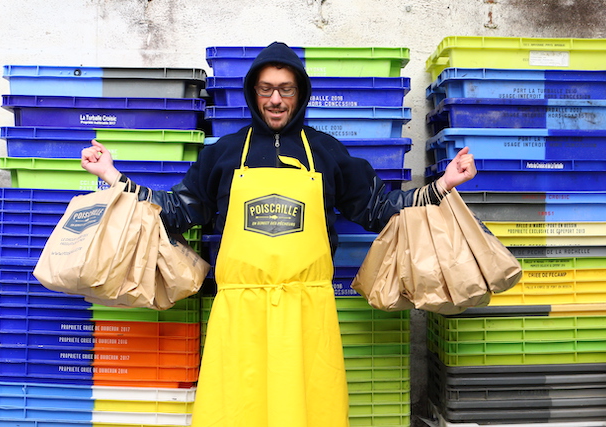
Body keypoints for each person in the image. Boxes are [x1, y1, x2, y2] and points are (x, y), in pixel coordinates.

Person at [81, 41, 477, 427]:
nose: (275, 99)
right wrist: (112, 176)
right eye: (266, 89)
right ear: (253, 93)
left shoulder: (326, 152)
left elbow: (378, 210)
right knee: (237, 411)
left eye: (286, 89)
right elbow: (176, 211)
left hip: (308, 310)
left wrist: (443, 183)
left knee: (308, 410)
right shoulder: (222, 153)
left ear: (300, 93)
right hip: (240, 312)